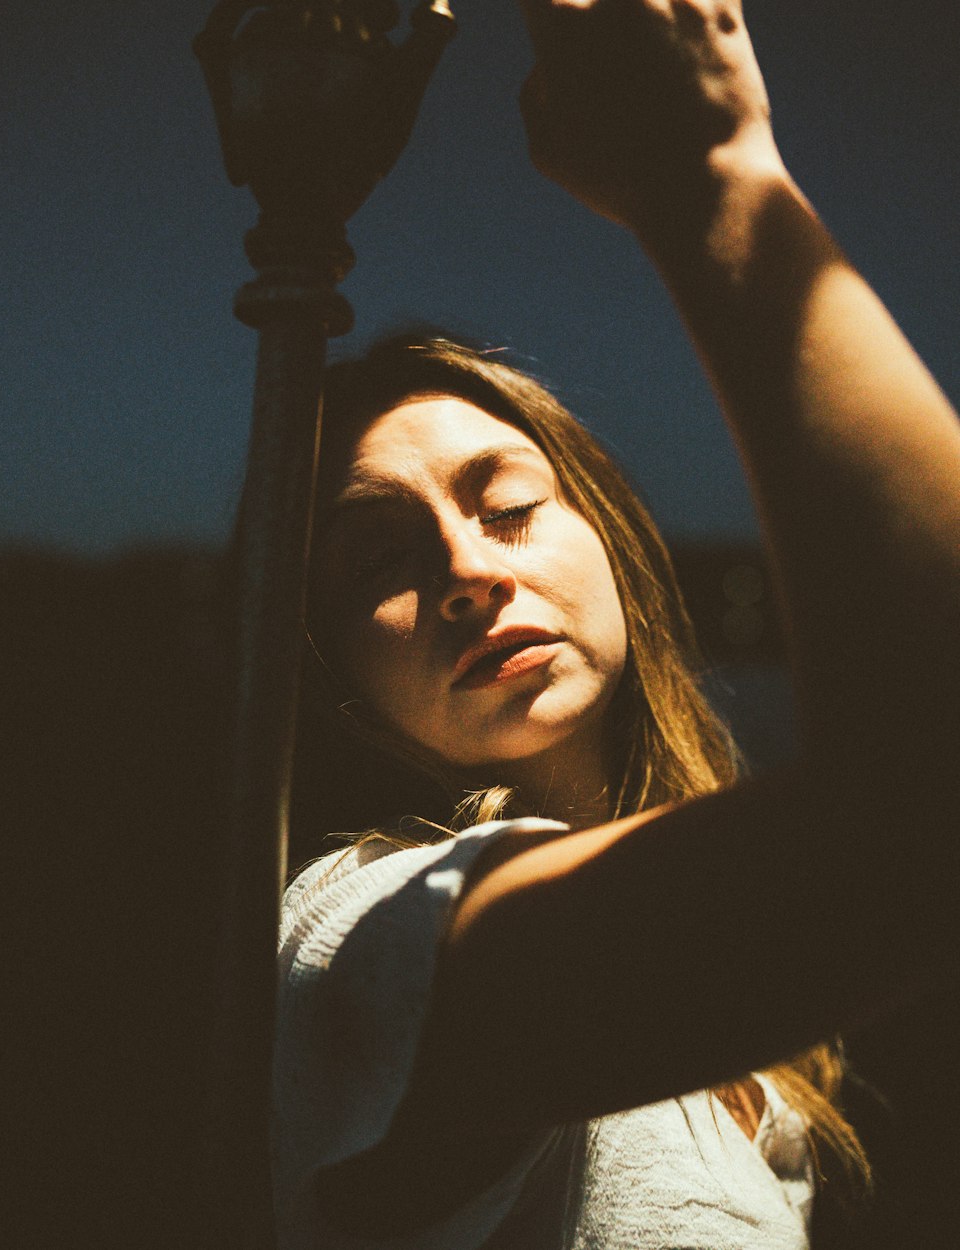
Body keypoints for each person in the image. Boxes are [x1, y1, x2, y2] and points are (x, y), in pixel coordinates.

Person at [272, 2, 960, 1247]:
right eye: (380, 554)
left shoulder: (776, 1070)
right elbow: (916, 816)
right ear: (324, 664)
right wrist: (715, 174)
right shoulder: (358, 950)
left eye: (511, 503)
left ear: (616, 548)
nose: (468, 570)